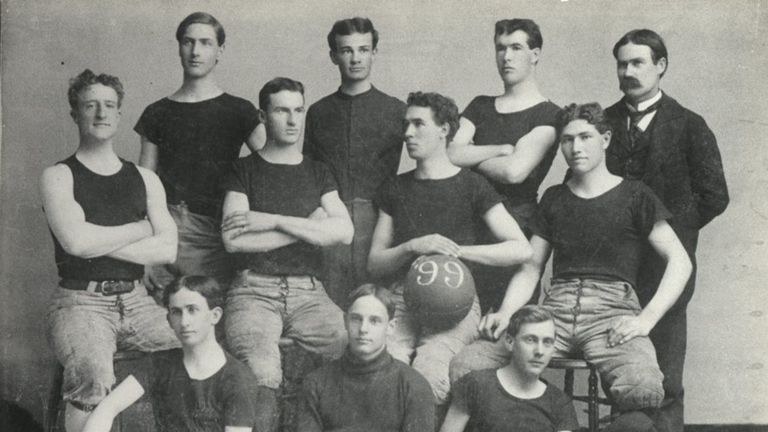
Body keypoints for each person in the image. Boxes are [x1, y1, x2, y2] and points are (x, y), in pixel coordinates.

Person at [450, 103, 693, 431]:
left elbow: (680, 261)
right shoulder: (554, 198)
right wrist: (508, 312)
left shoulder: (636, 195)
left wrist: (646, 319)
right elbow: (531, 268)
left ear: (605, 139)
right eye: (567, 140)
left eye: (585, 137)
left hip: (611, 311)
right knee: (469, 364)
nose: (575, 148)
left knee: (643, 386)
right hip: (556, 311)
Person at [367, 91, 532, 411]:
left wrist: (456, 251)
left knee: (431, 374)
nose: (408, 133)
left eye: (418, 124)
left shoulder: (472, 185)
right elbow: (375, 263)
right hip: (401, 300)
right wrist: (413, 246)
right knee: (382, 371)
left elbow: (521, 249)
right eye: (406, 125)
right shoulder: (395, 187)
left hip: (455, 303)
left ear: (444, 129)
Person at [40, 69, 180, 432]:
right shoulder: (58, 176)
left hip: (138, 301)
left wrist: (94, 242)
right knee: (92, 371)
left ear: (119, 114)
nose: (100, 114)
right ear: (75, 114)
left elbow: (166, 247)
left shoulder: (145, 178)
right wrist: (139, 228)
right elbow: (75, 243)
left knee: (191, 347)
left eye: (109, 106)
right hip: (79, 303)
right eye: (90, 105)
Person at [604, 29, 729, 432]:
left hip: (666, 268)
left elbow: (714, 195)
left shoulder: (690, 125)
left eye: (638, 62)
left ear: (661, 66)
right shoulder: (602, 122)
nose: (628, 71)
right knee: (620, 369)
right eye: (622, 63)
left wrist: (671, 233)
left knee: (667, 374)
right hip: (614, 266)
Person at [220, 77, 351, 422]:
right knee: (263, 372)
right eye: (282, 111)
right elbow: (234, 240)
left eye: (298, 110)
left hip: (309, 293)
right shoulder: (243, 169)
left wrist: (272, 219)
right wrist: (308, 226)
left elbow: (344, 231)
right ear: (263, 116)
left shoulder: (318, 171)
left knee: (352, 343)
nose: (293, 120)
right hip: (253, 292)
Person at [135, 12, 263, 291]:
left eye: (205, 43)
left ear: (220, 50)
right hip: (168, 230)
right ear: (179, 47)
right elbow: (145, 183)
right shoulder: (157, 112)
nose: (195, 51)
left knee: (212, 316)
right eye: (188, 42)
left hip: (218, 234)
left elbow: (272, 164)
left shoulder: (239, 111)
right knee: (168, 318)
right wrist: (144, 252)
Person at [447, 19, 561, 311]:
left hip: (515, 228)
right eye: (500, 48)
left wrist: (472, 155)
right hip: (468, 223)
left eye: (516, 47)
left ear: (535, 54)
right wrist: (500, 150)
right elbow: (448, 153)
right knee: (458, 313)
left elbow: (514, 172)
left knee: (505, 324)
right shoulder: (480, 105)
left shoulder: (549, 114)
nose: (507, 56)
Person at [304, 17, 406, 305]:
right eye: (347, 50)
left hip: (379, 223)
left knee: (374, 306)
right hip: (330, 221)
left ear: (374, 52)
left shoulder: (396, 110)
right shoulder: (318, 111)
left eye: (363, 49)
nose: (356, 58)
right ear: (334, 56)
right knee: (330, 308)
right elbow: (308, 171)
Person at [81, 276, 260, 432]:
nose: (184, 322)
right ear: (168, 320)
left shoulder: (238, 378)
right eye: (176, 312)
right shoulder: (159, 363)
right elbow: (107, 408)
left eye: (192, 310)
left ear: (215, 315)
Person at [298, 284, 435, 432]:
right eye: (356, 319)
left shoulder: (413, 386)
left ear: (390, 326)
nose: (363, 329)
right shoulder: (317, 383)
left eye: (374, 321)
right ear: (345, 321)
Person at [441, 306, 578, 432]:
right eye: (530, 340)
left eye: (547, 342)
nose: (539, 351)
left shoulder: (559, 403)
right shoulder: (475, 384)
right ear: (510, 342)